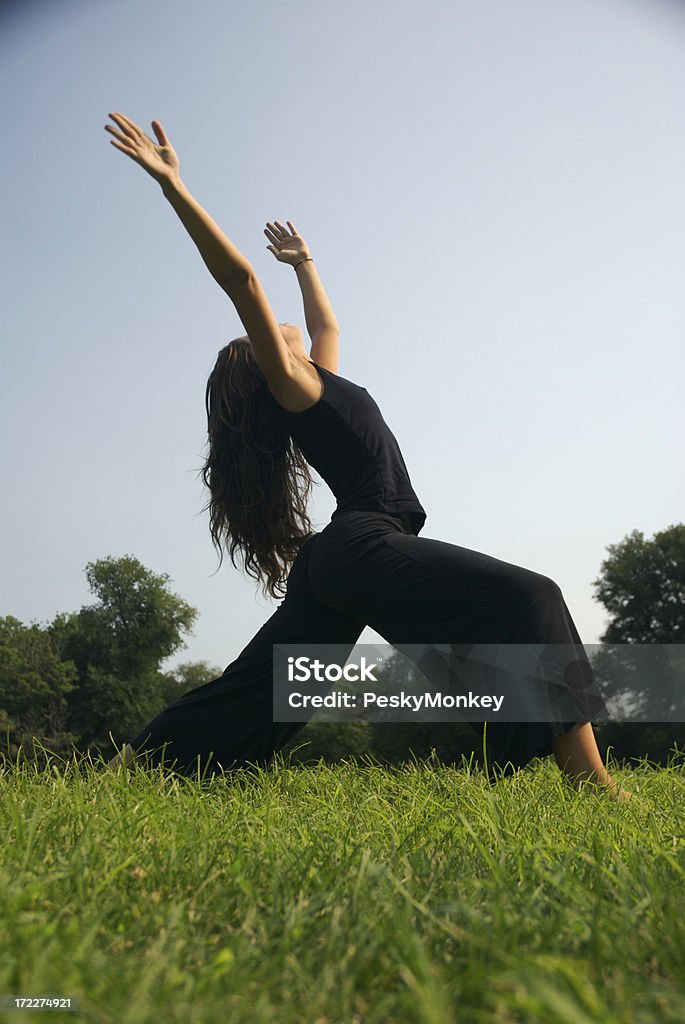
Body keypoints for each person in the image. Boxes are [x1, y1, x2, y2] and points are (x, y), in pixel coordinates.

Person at [103, 112, 633, 801]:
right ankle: (592, 787)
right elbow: (241, 282)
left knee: (268, 680)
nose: (288, 331)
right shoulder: (289, 385)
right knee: (531, 598)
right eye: (271, 336)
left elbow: (326, 324)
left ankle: (136, 767)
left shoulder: (317, 381)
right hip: (362, 541)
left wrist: (306, 265)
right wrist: (173, 185)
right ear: (266, 360)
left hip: (340, 558)